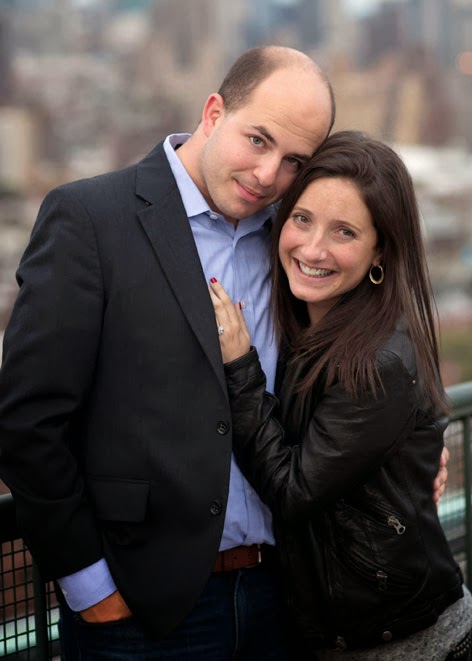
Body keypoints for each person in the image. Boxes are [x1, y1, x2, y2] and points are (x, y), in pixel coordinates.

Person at [0, 45, 446, 659]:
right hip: (142, 611)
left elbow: (360, 368)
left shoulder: (295, 241)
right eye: (257, 140)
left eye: (294, 160)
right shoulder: (90, 219)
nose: (268, 174)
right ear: (214, 112)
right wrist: (90, 586)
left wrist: (409, 459)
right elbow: (28, 421)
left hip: (287, 599)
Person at [209, 130, 472, 661]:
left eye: (345, 232)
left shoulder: (379, 361)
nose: (312, 248)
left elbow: (291, 491)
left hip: (410, 644)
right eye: (302, 219)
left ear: (381, 250)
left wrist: (240, 368)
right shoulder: (309, 326)